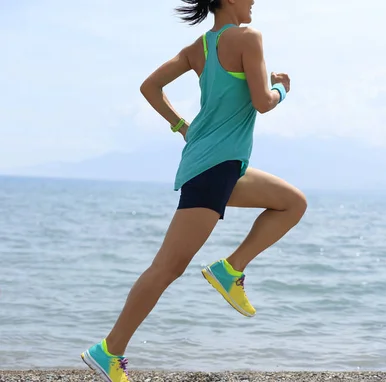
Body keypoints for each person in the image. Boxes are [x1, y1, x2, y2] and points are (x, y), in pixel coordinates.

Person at [80, 0, 307, 380]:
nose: (255, 2)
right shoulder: (248, 38)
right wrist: (281, 88)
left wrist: (182, 127)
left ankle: (231, 268)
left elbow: (149, 87)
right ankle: (109, 350)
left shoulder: (198, 48)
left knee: (292, 203)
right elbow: (262, 103)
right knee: (167, 267)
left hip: (221, 164)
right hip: (214, 169)